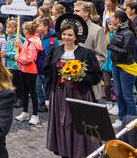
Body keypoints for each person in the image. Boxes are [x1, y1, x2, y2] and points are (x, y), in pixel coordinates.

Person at [43, 22, 102, 158]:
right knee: (63, 123)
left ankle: (81, 152)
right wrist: (47, 97)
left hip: (79, 95)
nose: (66, 37)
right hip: (59, 94)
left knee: (78, 125)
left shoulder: (86, 53)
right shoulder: (55, 51)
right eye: (64, 34)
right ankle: (65, 151)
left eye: (70, 34)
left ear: (76, 36)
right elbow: (48, 75)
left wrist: (80, 76)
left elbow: (96, 76)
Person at [107, 9, 137, 129]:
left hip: (126, 67)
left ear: (118, 20)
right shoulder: (117, 31)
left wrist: (110, 47)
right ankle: (122, 118)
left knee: (127, 95)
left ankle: (132, 120)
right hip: (116, 66)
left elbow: (126, 52)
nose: (111, 19)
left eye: (113, 17)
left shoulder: (128, 33)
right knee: (119, 94)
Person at [73, 1, 107, 102]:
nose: (74, 13)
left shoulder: (97, 30)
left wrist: (84, 71)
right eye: (74, 10)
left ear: (86, 13)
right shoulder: (70, 28)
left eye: (77, 11)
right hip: (70, 80)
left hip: (88, 80)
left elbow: (101, 56)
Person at [14, 21, 43, 125]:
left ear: (27, 30)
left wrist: (18, 58)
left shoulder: (32, 42)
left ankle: (35, 115)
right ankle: (25, 112)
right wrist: (20, 47)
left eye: (24, 29)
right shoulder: (28, 40)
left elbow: (30, 58)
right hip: (23, 69)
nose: (22, 30)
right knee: (24, 91)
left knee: (32, 92)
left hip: (30, 70)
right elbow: (26, 52)